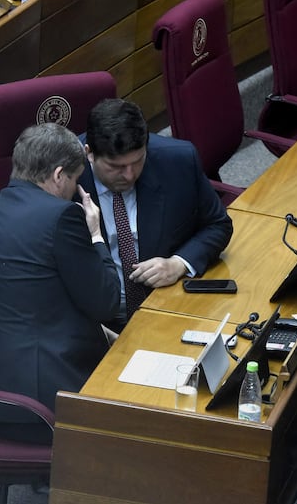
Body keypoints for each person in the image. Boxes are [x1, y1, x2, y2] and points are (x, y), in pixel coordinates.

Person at [0, 123, 121, 445]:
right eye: (75, 180)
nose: (74, 188)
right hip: (43, 404)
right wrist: (95, 235)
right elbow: (106, 302)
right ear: (59, 175)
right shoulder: (62, 216)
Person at [78, 98, 233, 331]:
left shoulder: (177, 161)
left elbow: (218, 224)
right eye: (116, 167)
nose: (129, 175)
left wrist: (178, 264)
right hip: (95, 326)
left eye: (137, 161)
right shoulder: (64, 178)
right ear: (89, 153)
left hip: (166, 308)